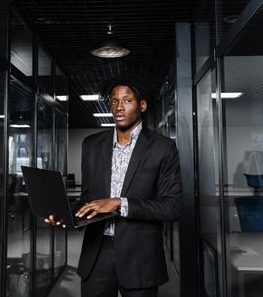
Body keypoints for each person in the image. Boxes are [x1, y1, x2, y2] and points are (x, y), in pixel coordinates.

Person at [49, 76, 182, 297]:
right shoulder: (91, 145)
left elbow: (172, 207)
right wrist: (68, 217)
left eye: (127, 100)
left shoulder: (163, 148)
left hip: (140, 256)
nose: (119, 107)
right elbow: (87, 199)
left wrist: (120, 204)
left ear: (142, 105)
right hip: (96, 252)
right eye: (113, 101)